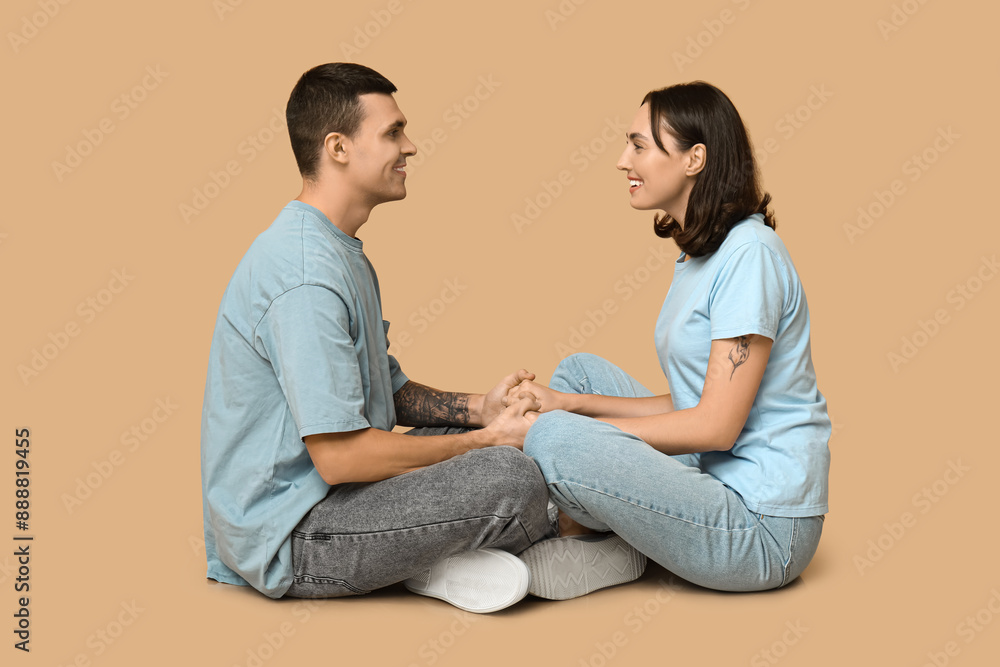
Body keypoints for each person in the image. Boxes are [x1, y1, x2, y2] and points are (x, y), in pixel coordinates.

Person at [199, 63, 554, 614]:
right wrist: (485, 442)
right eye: (392, 132)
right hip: (295, 535)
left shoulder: (335, 249)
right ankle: (526, 553)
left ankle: (429, 563)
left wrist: (480, 410)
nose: (410, 147)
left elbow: (386, 393)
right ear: (338, 147)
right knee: (507, 472)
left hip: (335, 498)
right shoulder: (303, 275)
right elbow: (341, 460)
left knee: (484, 433)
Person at [511, 81, 831, 597]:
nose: (623, 160)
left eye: (639, 145)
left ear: (694, 159)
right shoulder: (701, 255)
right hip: (710, 476)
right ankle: (619, 544)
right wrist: (570, 402)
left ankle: (562, 536)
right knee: (578, 372)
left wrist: (582, 433)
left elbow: (716, 426)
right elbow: (696, 400)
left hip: (763, 527)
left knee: (553, 436)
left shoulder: (750, 256)